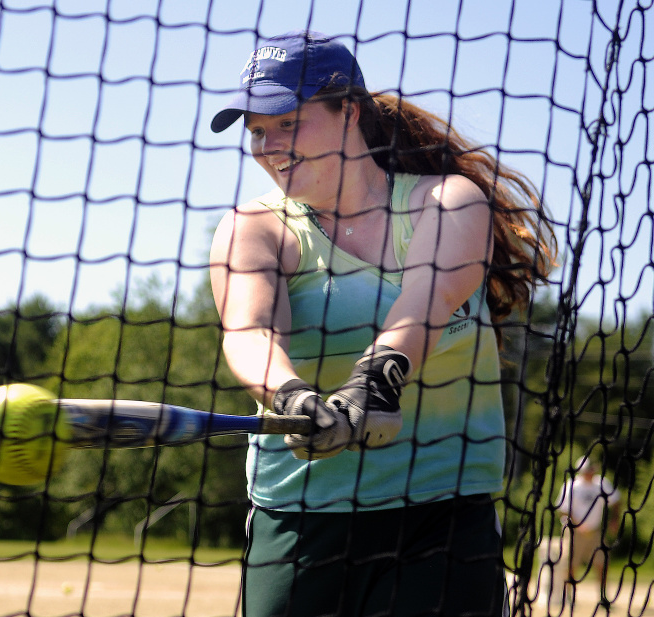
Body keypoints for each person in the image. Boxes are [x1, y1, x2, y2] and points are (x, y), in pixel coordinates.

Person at [208, 30, 556, 616]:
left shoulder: (447, 201)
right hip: (300, 521)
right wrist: (291, 396)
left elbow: (425, 302)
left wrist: (375, 383)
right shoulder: (253, 227)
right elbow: (250, 333)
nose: (269, 146)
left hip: (441, 519)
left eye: (287, 122)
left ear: (348, 110)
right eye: (258, 130)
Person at [553, 456, 621, 606]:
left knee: (602, 563)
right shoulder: (571, 486)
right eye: (587, 470)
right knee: (571, 564)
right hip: (574, 531)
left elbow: (616, 500)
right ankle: (568, 596)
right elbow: (562, 510)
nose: (590, 473)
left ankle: (603, 596)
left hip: (595, 531)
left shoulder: (601, 484)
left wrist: (614, 520)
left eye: (591, 470)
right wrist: (579, 524)